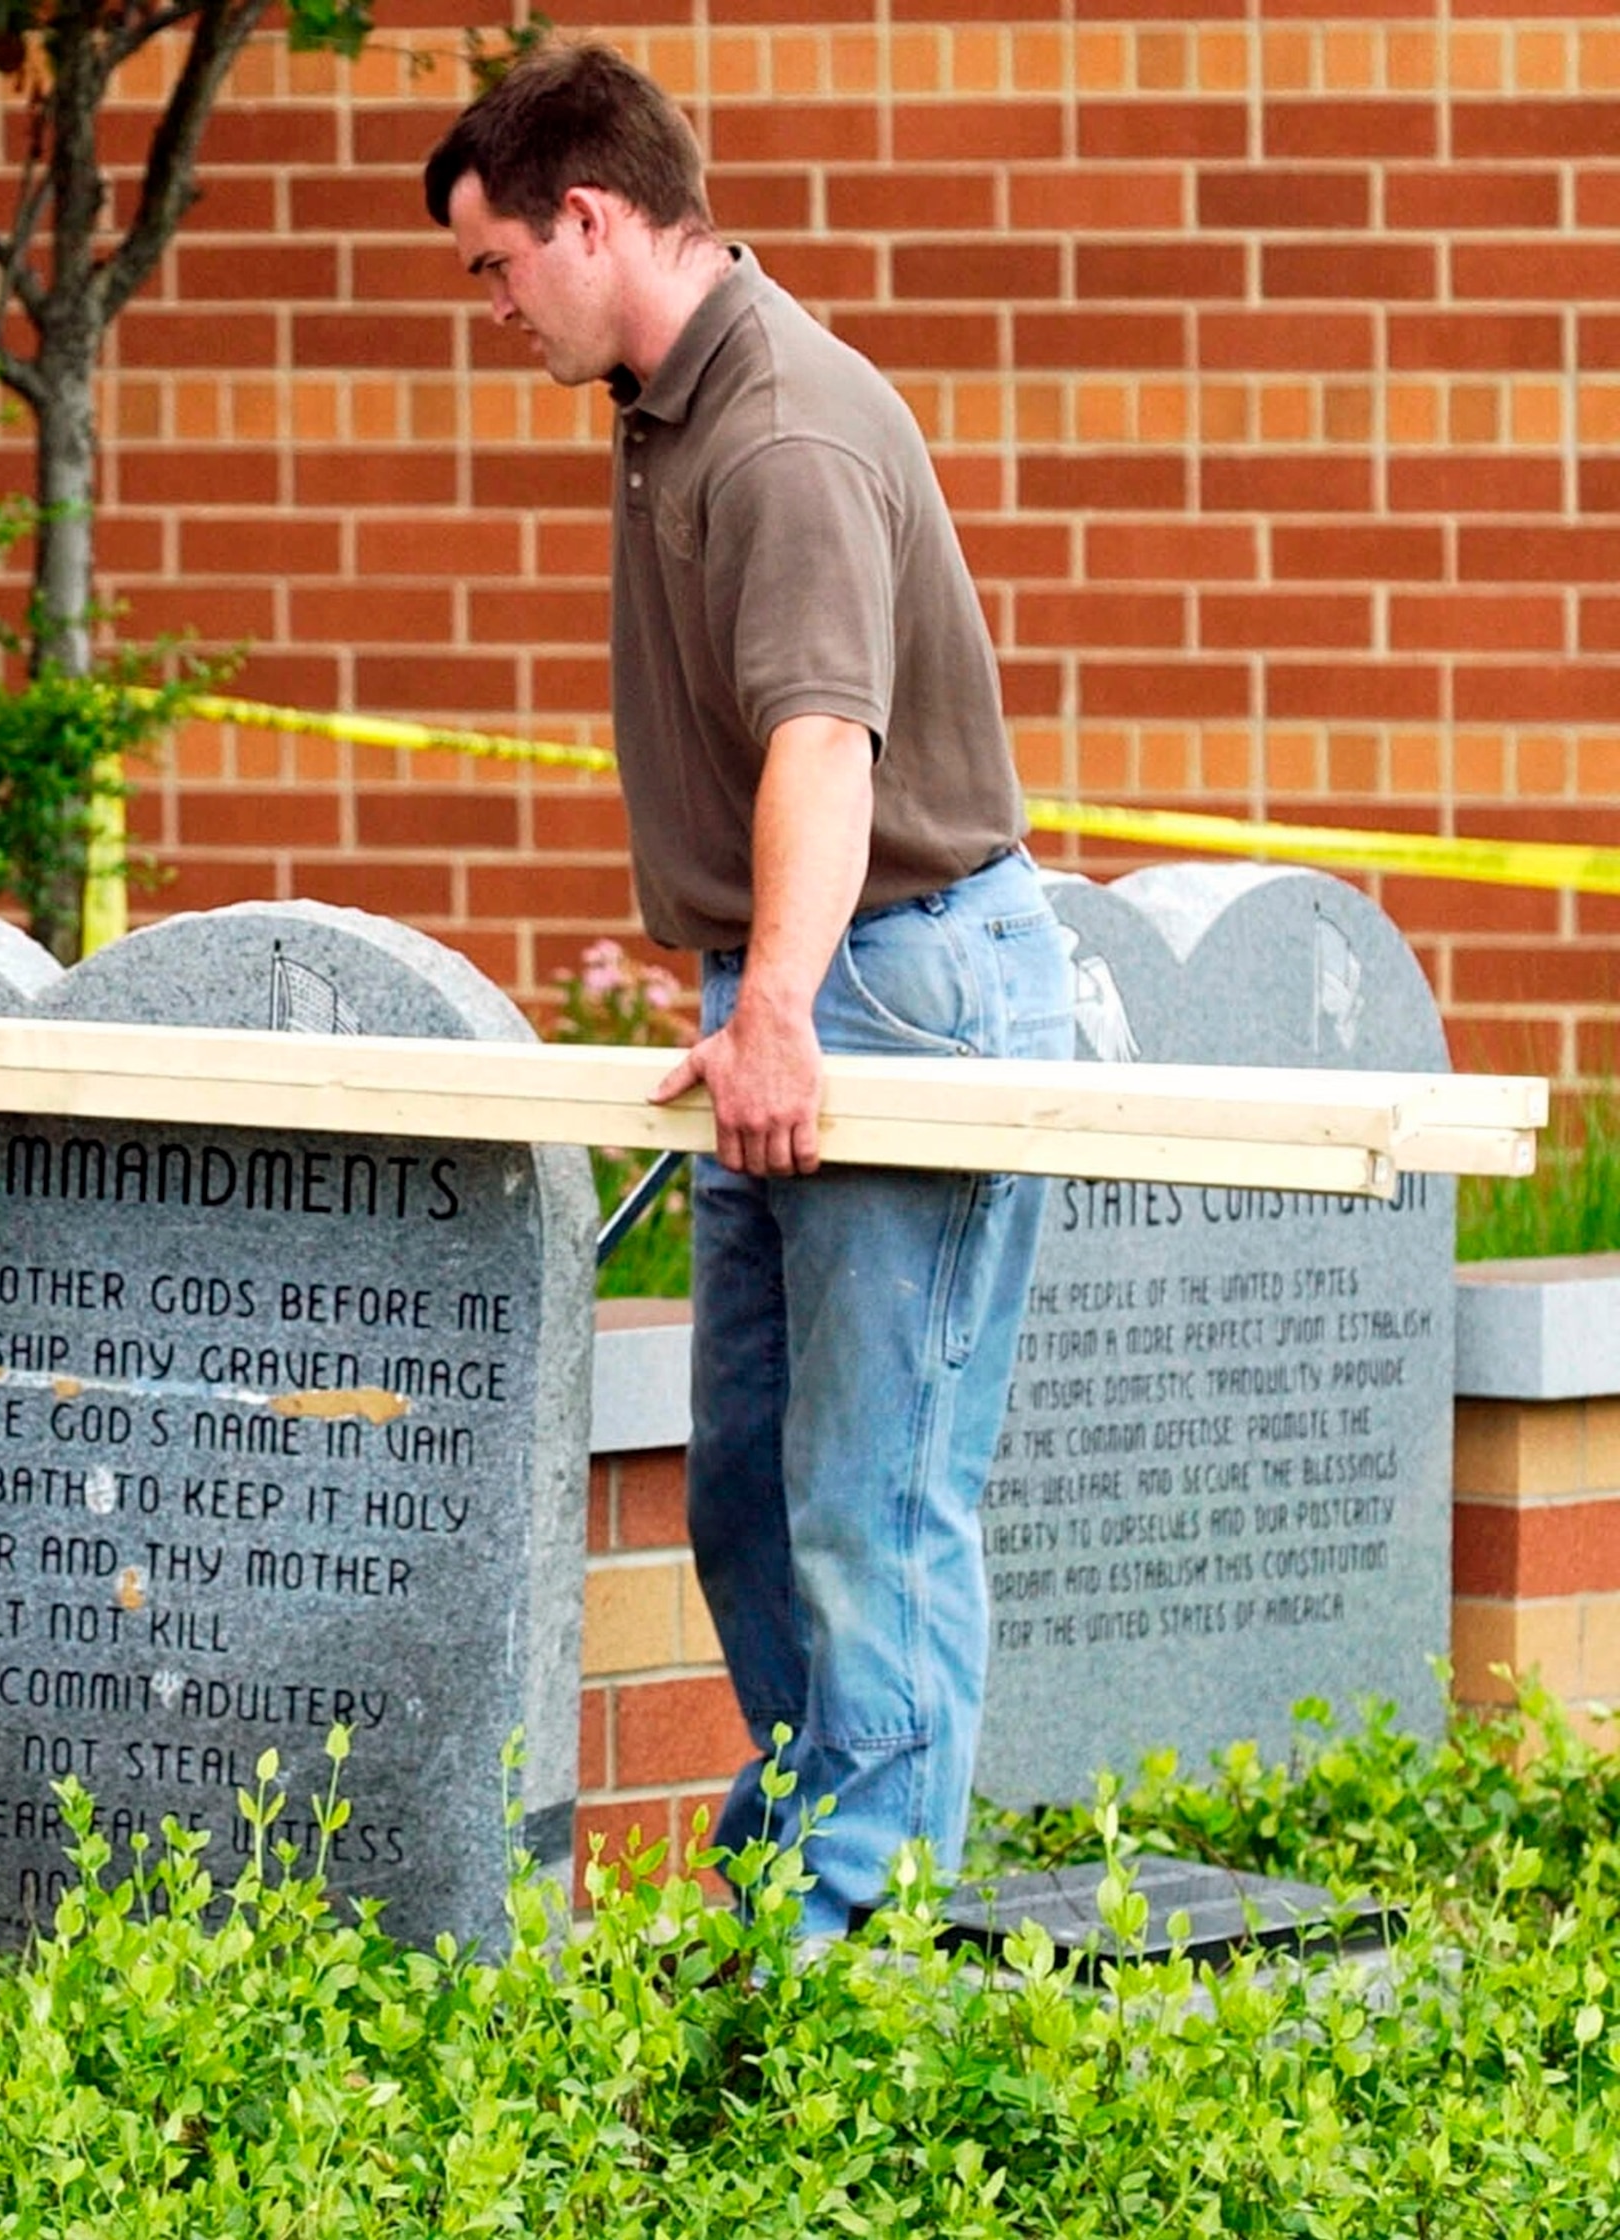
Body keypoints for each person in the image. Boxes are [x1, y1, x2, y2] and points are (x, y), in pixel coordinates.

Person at [428, 40, 1075, 1937]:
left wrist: (775, 1009)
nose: (490, 309)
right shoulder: (670, 402)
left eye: (493, 267)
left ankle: (853, 1958)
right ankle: (814, 1881)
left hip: (892, 980)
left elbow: (823, 742)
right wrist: (746, 990)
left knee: (871, 1509)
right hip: (798, 976)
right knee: (747, 1502)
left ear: (590, 216)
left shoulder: (779, 428)